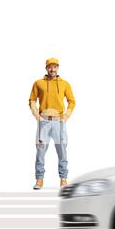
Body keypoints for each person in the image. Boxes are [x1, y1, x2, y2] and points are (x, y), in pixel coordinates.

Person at [29, 58, 76, 189]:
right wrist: (36, 114)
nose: (52, 69)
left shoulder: (64, 84)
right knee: (40, 151)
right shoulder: (38, 83)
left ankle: (63, 178)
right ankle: (39, 179)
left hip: (59, 122)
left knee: (62, 151)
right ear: (46, 68)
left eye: (55, 67)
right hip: (43, 121)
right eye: (50, 67)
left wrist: (66, 115)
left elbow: (72, 101)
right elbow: (32, 100)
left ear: (58, 68)